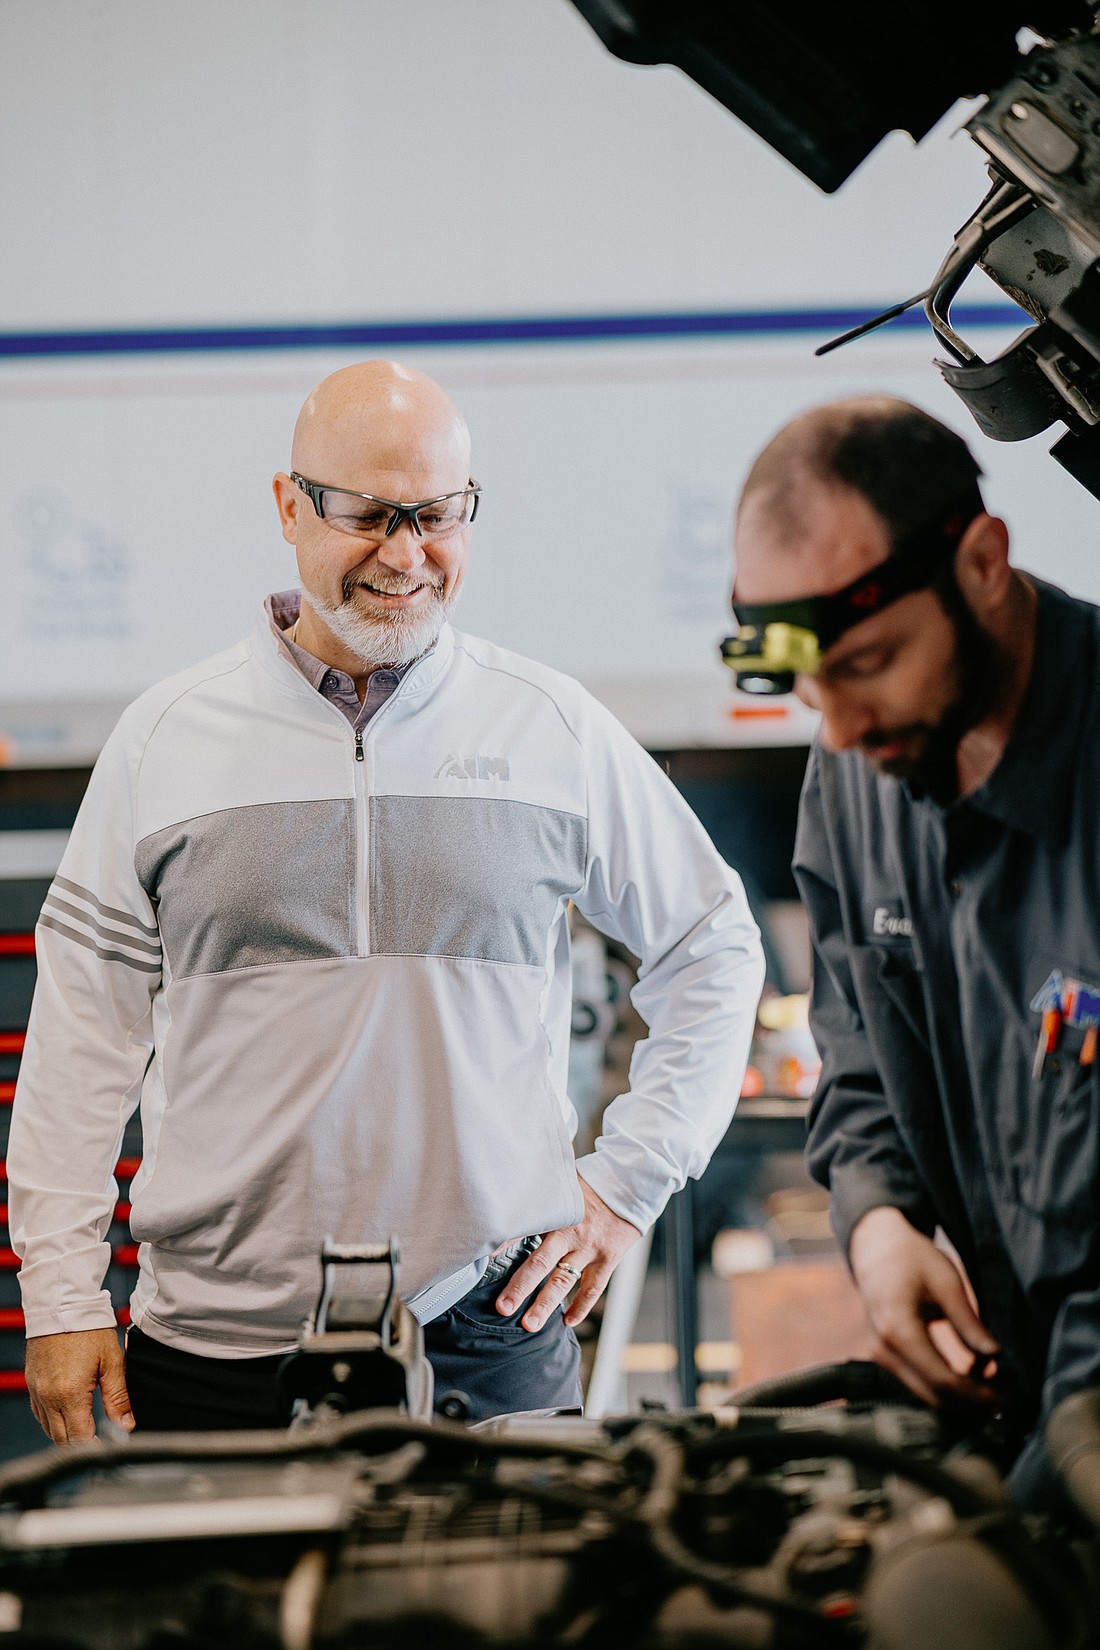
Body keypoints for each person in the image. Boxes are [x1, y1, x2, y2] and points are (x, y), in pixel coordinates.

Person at [10, 360, 764, 1443]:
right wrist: (63, 1298)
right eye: (368, 515)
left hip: (486, 1332)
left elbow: (711, 943)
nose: (406, 554)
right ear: (288, 506)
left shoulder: (547, 728)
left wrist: (626, 1184)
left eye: (438, 515)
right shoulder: (165, 739)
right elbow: (81, 1035)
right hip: (216, 1350)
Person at [727, 393, 1100, 1505]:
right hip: (1019, 1415)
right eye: (808, 682)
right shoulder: (857, 774)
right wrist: (879, 1221)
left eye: (870, 662)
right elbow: (857, 1061)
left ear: (981, 564)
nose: (835, 726)